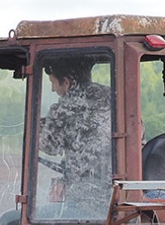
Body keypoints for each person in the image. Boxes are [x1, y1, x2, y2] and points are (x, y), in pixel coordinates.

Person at [36, 57, 113, 214]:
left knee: (11, 220)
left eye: (53, 82)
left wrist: (35, 126)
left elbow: (48, 146)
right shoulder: (114, 97)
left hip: (85, 203)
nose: (52, 89)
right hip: (117, 198)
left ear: (66, 82)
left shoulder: (64, 108)